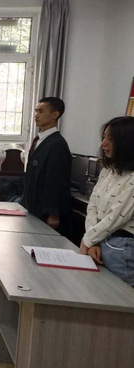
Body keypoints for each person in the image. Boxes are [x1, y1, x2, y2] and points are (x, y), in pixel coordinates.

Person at [79, 116, 134, 286]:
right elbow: (92, 206)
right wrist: (93, 240)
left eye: (111, 139)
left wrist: (88, 240)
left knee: (116, 297)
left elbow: (117, 217)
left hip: (123, 248)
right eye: (104, 137)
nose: (103, 144)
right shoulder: (108, 171)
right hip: (101, 240)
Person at [20, 97, 72, 235]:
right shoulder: (39, 140)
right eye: (36, 111)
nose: (36, 115)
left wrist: (53, 212)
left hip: (44, 209)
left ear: (55, 114)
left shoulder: (57, 144)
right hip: (32, 203)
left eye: (41, 111)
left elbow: (56, 180)